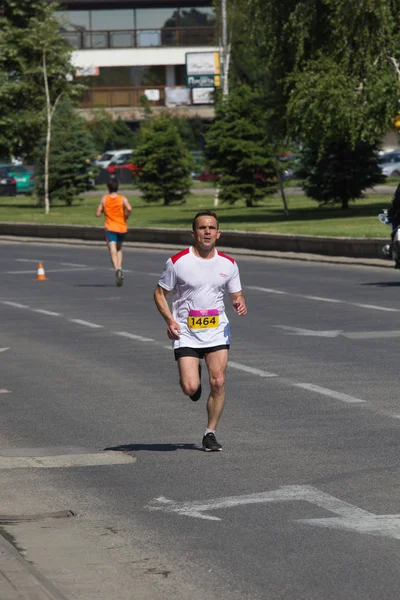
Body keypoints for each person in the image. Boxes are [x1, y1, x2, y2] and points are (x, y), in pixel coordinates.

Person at [154, 210, 247, 452]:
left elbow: (236, 294)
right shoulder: (178, 262)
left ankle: (210, 433)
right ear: (193, 233)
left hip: (216, 330)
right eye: (202, 228)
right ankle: (193, 368)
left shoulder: (228, 264)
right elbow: (159, 293)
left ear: (219, 233)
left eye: (211, 228)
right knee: (191, 388)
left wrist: (238, 302)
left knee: (218, 381)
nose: (207, 232)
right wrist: (170, 320)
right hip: (186, 331)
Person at [96, 178, 132, 286]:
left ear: (108, 188)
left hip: (110, 227)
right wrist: (126, 215)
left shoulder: (104, 199)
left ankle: (116, 269)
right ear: (117, 187)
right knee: (119, 249)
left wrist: (102, 210)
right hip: (122, 227)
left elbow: (98, 213)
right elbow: (129, 208)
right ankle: (120, 267)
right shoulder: (122, 199)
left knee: (112, 250)